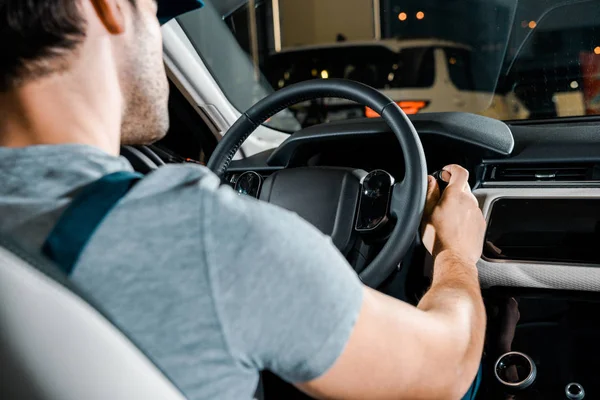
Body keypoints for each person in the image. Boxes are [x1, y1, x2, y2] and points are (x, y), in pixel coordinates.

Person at [0, 1, 487, 399]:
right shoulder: (196, 235)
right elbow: (446, 369)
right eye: (153, 11)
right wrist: (456, 253)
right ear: (108, 9)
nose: (154, 31)